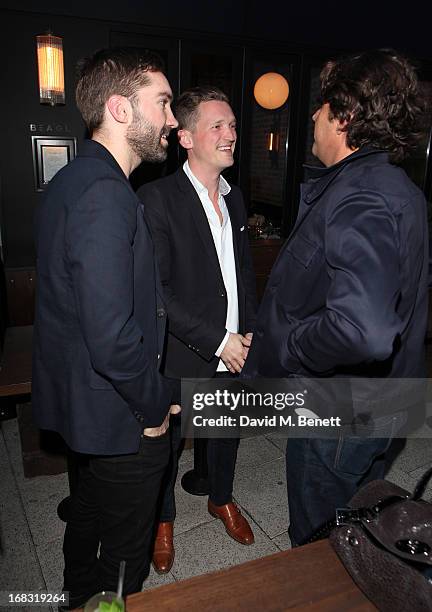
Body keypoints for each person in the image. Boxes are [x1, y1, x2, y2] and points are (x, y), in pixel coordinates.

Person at [242, 49, 429, 545]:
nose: (313, 119)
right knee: (361, 519)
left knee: (320, 537)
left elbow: (365, 329)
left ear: (343, 117)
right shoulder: (398, 187)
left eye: (321, 109)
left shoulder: (361, 193)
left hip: (341, 409)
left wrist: (293, 346)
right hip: (384, 400)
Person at [32, 47, 179, 609]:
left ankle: (74, 597)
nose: (171, 118)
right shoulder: (104, 193)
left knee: (86, 518)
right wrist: (152, 408)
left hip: (85, 409)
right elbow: (112, 336)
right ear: (119, 109)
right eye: (163, 103)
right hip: (119, 416)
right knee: (123, 562)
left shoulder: (74, 180)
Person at [138, 86, 257, 573]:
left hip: (237, 347)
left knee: (226, 432)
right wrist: (218, 340)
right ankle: (162, 520)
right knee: (168, 444)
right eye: (217, 126)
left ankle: (220, 499)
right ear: (185, 137)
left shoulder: (236, 198)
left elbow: (242, 275)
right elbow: (159, 291)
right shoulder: (157, 198)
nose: (231, 134)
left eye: (232, 125)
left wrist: (249, 333)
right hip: (183, 350)